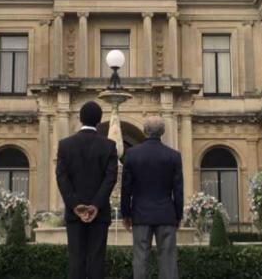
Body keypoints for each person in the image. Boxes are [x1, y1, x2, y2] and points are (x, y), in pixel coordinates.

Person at [56, 101, 119, 279]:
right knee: (97, 261)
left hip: (74, 215)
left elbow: (62, 177)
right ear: (99, 121)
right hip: (99, 214)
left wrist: (76, 205)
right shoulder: (109, 146)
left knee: (76, 260)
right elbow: (111, 178)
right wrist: (96, 205)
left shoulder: (65, 145)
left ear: (80, 118)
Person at [120, 115, 183, 279]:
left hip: (140, 214)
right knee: (168, 260)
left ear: (144, 131)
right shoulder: (173, 156)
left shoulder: (132, 155)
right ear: (162, 131)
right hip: (166, 214)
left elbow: (126, 188)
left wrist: (125, 214)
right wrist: (178, 215)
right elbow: (178, 189)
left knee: (140, 258)